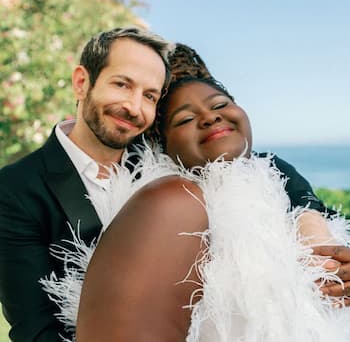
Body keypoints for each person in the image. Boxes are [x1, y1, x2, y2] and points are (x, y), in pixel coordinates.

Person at [43, 45, 350, 341]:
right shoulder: (166, 203)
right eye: (185, 119)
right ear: (160, 146)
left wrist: (315, 228)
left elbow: (307, 202)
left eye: (220, 105)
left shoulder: (272, 174)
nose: (210, 117)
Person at [0, 26, 173, 342]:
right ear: (82, 83)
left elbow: (231, 154)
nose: (135, 108)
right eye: (122, 84)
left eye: (149, 96)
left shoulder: (162, 166)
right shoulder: (14, 189)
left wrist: (298, 196)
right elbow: (35, 331)